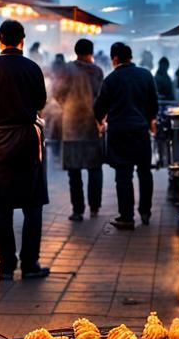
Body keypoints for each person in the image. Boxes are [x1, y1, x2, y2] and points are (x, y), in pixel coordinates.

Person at [0, 19, 50, 281]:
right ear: (22, 40)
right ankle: (29, 265)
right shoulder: (32, 68)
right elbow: (40, 102)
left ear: (0, 39)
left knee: (2, 206)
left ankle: (5, 266)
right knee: (32, 205)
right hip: (28, 139)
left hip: (0, 142)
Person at [94, 41, 158, 230]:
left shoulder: (111, 79)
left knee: (123, 174)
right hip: (140, 131)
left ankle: (127, 217)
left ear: (114, 58)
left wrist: (100, 122)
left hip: (119, 132)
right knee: (145, 172)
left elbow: (99, 107)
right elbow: (153, 102)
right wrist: (151, 119)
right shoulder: (145, 75)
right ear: (130, 57)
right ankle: (145, 212)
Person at [55, 38, 105, 221]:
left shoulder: (67, 69)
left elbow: (57, 92)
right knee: (94, 169)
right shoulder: (98, 71)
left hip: (72, 127)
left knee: (73, 172)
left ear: (76, 52)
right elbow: (102, 98)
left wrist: (67, 106)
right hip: (92, 126)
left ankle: (77, 210)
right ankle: (94, 207)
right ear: (91, 52)